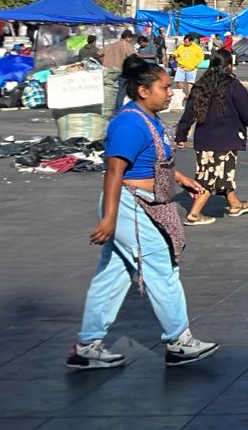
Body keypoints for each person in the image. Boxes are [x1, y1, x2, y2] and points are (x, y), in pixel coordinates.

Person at [69, 55, 218, 370]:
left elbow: (151, 160)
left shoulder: (148, 118)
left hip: (142, 202)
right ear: (142, 91)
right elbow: (114, 171)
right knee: (161, 267)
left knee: (113, 276)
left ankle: (87, 345)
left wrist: (179, 178)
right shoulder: (129, 123)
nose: (170, 93)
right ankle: (179, 340)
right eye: (164, 87)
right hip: (129, 205)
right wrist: (109, 217)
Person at [175, 52, 248, 225]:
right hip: (226, 139)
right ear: (229, 66)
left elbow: (189, 113)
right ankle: (194, 214)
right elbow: (247, 112)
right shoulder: (233, 86)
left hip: (204, 140)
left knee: (221, 174)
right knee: (211, 178)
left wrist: (181, 134)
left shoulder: (200, 86)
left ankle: (234, 205)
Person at [172, 33, 206, 98]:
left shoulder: (197, 48)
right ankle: (182, 94)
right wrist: (174, 56)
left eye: (186, 42)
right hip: (181, 67)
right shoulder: (181, 46)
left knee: (190, 83)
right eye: (184, 41)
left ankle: (189, 96)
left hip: (192, 68)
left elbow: (201, 57)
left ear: (191, 41)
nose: (185, 43)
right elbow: (176, 53)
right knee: (178, 81)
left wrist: (195, 63)